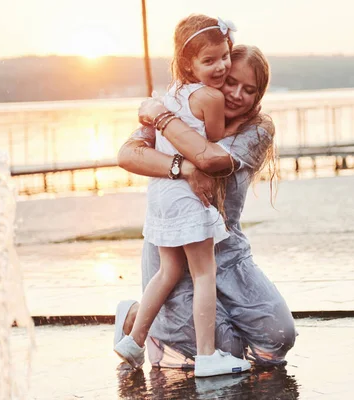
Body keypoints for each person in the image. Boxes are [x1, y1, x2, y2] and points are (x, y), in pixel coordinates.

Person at [114, 44, 297, 370]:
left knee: (278, 335)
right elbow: (127, 154)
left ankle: (193, 319)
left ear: (258, 96)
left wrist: (160, 116)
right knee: (222, 345)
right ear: (216, 76)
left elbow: (211, 159)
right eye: (231, 83)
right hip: (173, 253)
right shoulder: (182, 105)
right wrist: (181, 167)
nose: (237, 94)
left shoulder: (258, 129)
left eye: (249, 90)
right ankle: (135, 316)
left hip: (226, 251)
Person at [113, 14, 251, 378]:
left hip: (161, 193)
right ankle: (208, 356)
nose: (221, 66)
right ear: (188, 62)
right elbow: (215, 142)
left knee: (168, 270)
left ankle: (134, 340)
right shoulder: (210, 98)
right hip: (188, 195)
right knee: (205, 272)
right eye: (210, 60)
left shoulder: (167, 97)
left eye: (224, 56)